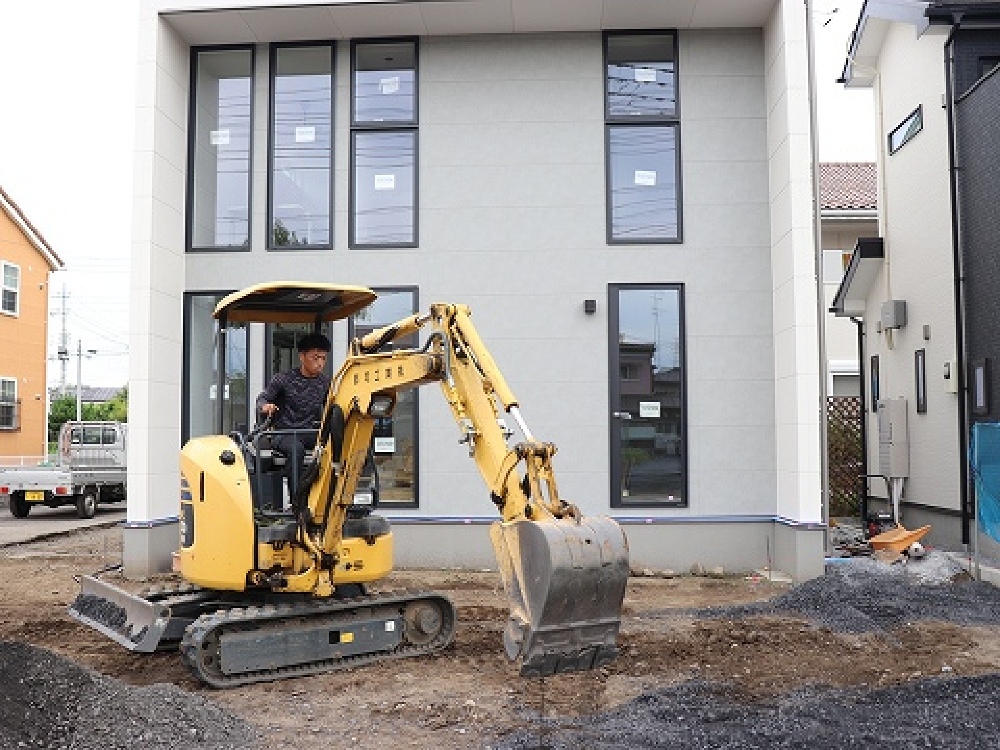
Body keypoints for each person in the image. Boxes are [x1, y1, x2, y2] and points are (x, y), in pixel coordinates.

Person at [256, 332, 332, 503]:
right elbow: (263, 398)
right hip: (283, 433)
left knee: (337, 445)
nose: (320, 363)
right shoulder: (283, 380)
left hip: (309, 432)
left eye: (323, 358)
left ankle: (328, 501)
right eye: (315, 357)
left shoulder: (326, 383)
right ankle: (297, 502)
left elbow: (333, 406)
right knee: (295, 449)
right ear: (302, 356)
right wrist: (265, 406)